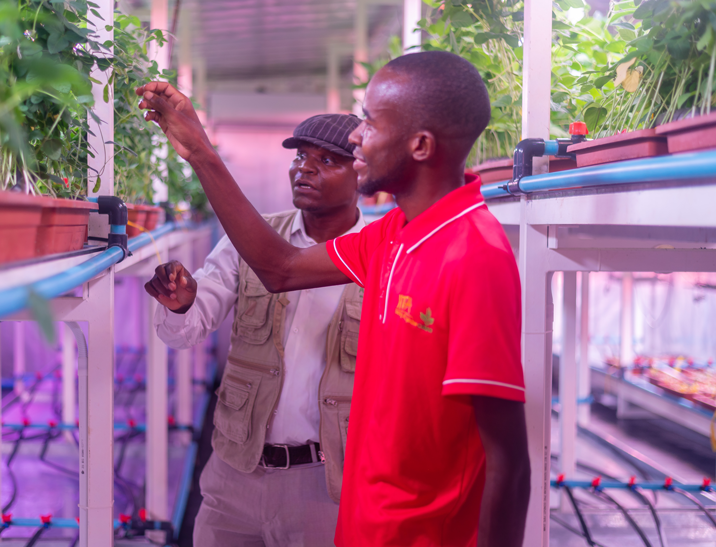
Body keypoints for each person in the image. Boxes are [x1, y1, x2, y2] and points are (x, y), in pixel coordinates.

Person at [138, 50, 531, 547]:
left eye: (369, 121)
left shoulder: (473, 255)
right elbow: (278, 267)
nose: (355, 134)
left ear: (421, 144)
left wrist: (203, 153)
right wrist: (200, 152)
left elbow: (508, 462)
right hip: (362, 521)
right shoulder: (393, 235)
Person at [146, 113, 366, 545]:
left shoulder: (379, 252)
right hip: (235, 474)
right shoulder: (251, 239)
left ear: (362, 171)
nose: (305, 167)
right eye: (301, 156)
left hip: (328, 485)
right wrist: (183, 302)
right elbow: (185, 331)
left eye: (327, 159)